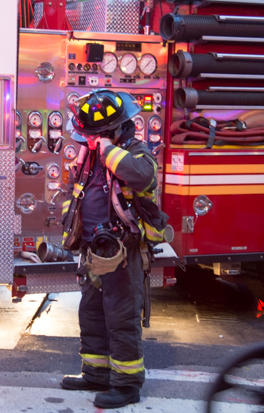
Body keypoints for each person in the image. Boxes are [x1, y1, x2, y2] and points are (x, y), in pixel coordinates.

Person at [59, 89, 167, 409]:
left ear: (111, 130)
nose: (87, 141)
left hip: (123, 250)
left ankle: (126, 385)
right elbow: (77, 194)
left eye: (93, 136)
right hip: (94, 249)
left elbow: (143, 176)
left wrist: (107, 149)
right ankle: (96, 373)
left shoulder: (133, 151)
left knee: (121, 317)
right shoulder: (89, 155)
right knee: (92, 313)